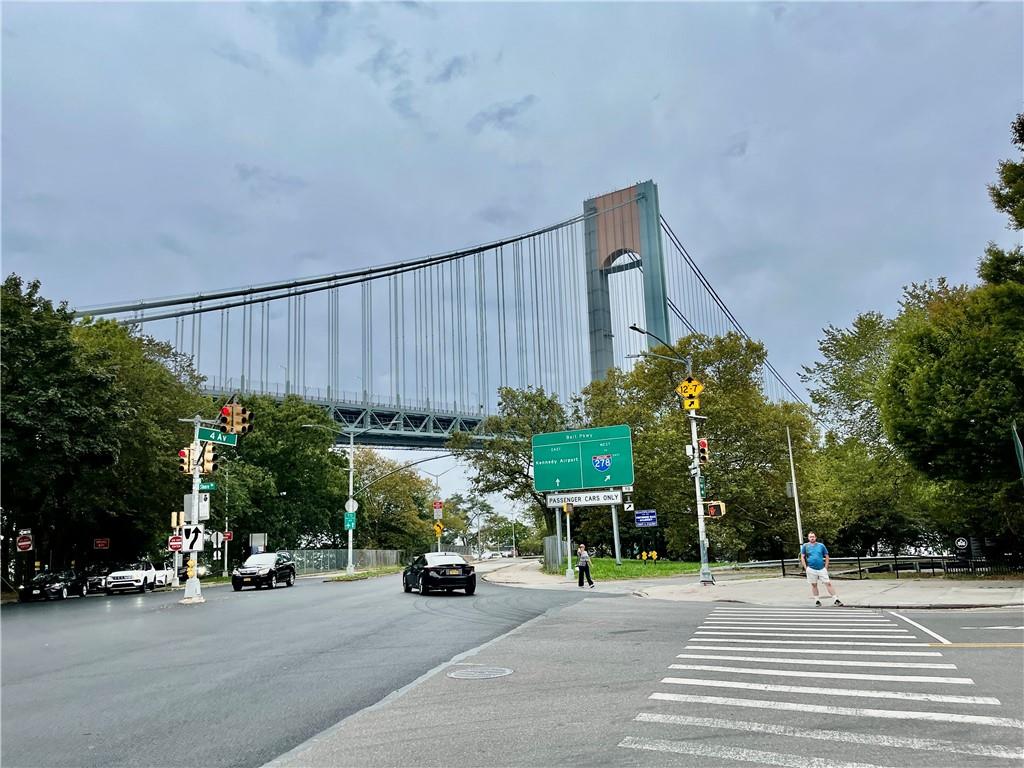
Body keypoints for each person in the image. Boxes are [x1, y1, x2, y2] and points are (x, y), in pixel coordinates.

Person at [800, 531, 842, 606]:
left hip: (821, 568)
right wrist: (805, 568)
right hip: (811, 568)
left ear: (815, 537)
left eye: (813, 536)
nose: (812, 538)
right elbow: (802, 557)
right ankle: (817, 600)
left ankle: (836, 599)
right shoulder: (805, 546)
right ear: (808, 538)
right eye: (810, 537)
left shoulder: (821, 545)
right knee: (814, 584)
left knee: (828, 583)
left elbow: (827, 556)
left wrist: (826, 567)